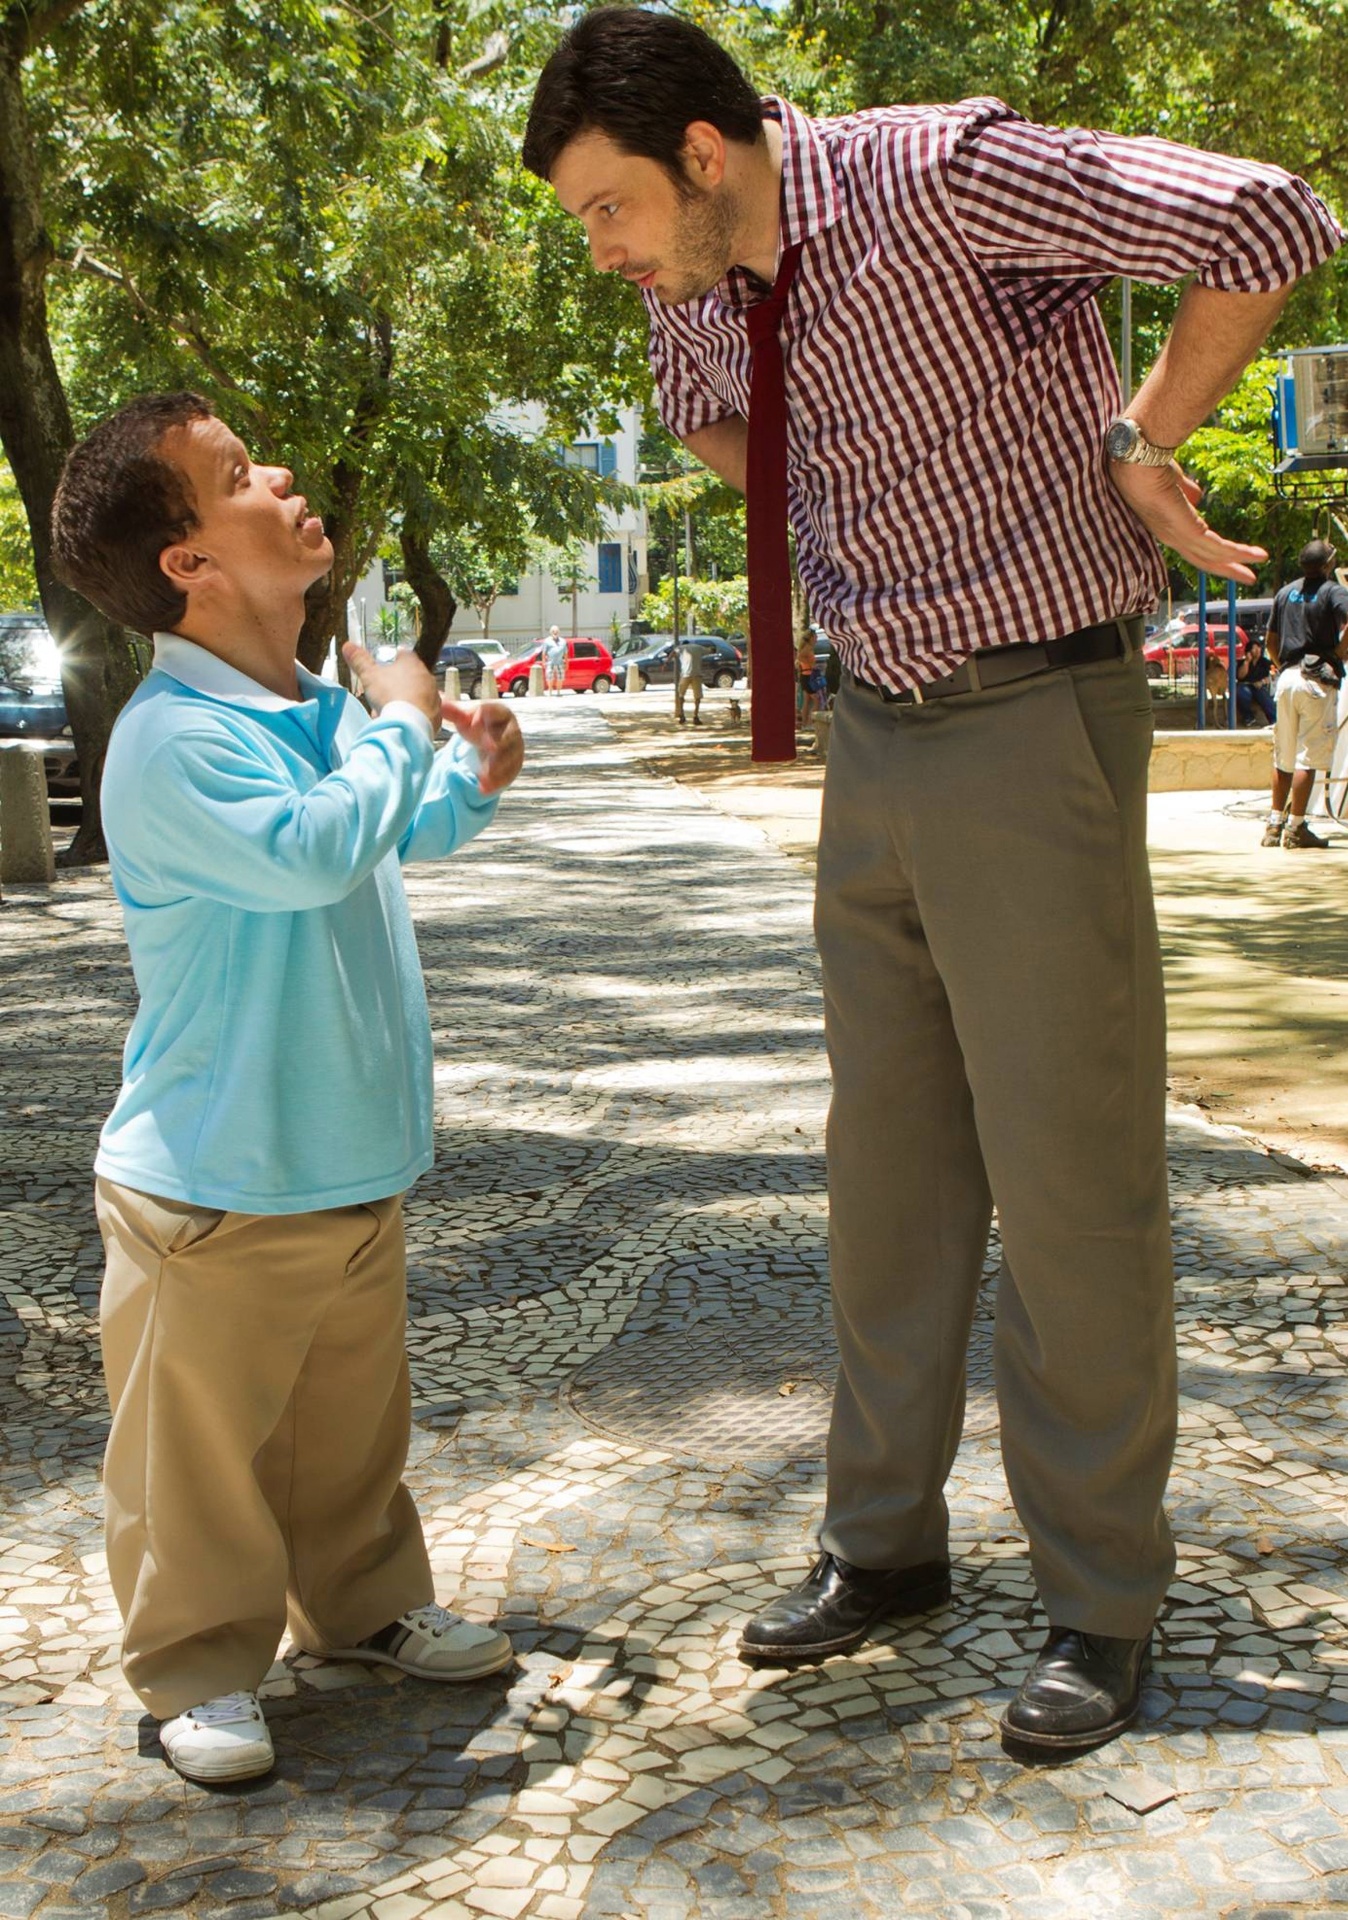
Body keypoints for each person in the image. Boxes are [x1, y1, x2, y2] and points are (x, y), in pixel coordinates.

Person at [524, 8, 1340, 1755]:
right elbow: (722, 437)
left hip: (1033, 710)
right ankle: (882, 1546)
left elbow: (1262, 218)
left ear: (699, 153)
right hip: (873, 735)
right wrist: (852, 515)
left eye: (605, 209)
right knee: (884, 1172)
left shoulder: (933, 171)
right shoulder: (691, 289)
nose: (596, 249)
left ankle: (1099, 1597)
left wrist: (1137, 436)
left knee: (1068, 1183)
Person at [50, 392, 525, 1785]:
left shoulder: (302, 702)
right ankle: (195, 1670)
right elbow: (316, 848)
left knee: (344, 1432)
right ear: (187, 561)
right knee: (195, 1458)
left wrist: (469, 780)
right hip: (210, 1177)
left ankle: (367, 1606)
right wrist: (396, 718)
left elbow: (391, 828)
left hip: (339, 1156)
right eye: (234, 474)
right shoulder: (171, 736)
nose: (282, 477)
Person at [1262, 539, 1348, 848]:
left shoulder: (1286, 592)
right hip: (1316, 679)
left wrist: (1282, 665)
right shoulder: (1332, 591)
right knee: (1307, 759)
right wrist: (1339, 651)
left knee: (1283, 756)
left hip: (1286, 678)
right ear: (1327, 566)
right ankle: (1297, 828)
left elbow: (1270, 640)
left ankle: (1273, 826)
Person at [1236, 631, 1275, 728]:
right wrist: (1247, 662)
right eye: (1254, 648)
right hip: (1245, 685)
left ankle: (1274, 720)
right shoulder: (1242, 662)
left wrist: (1262, 682)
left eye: (1259, 648)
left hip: (1259, 685)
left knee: (1264, 697)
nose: (1258, 650)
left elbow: (1272, 675)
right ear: (1249, 651)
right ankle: (1248, 717)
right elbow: (1240, 676)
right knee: (1242, 693)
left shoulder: (1265, 662)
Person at [675, 633, 709, 723]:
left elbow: (673, 653)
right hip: (696, 674)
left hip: (685, 675)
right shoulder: (698, 647)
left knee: (681, 695)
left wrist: (666, 662)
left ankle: (682, 714)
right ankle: (695, 716)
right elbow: (710, 651)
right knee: (697, 697)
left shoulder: (680, 648)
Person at [544, 623, 568, 692]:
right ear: (551, 632)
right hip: (550, 662)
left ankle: (558, 691)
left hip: (560, 662)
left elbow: (566, 653)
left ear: (558, 632)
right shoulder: (547, 641)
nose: (555, 632)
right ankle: (550, 690)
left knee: (560, 677)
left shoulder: (563, 641)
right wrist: (543, 662)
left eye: (556, 631)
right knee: (549, 677)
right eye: (553, 631)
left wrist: (566, 663)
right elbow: (544, 653)